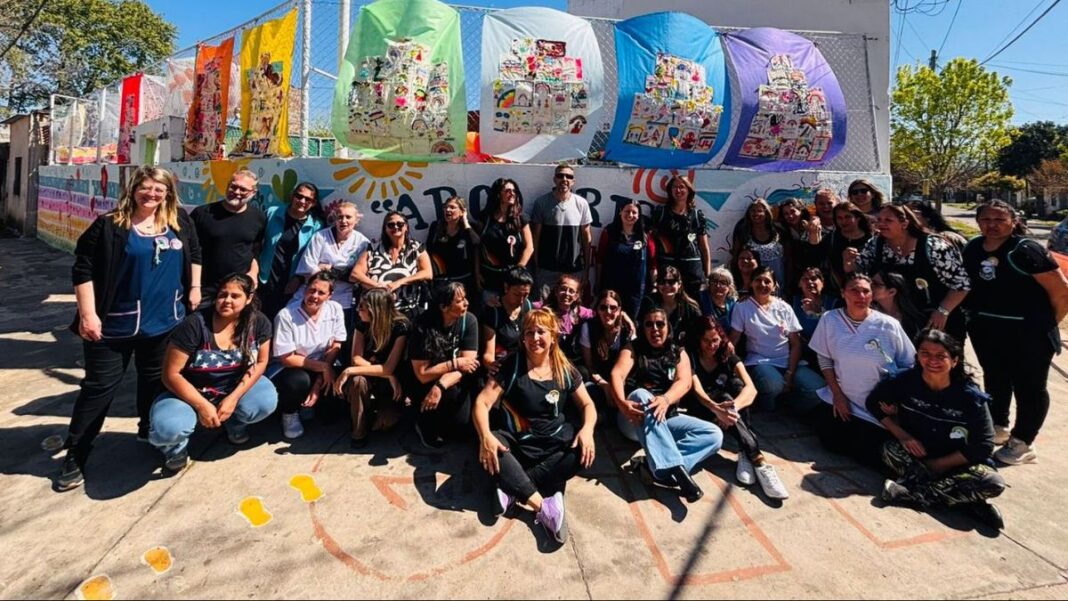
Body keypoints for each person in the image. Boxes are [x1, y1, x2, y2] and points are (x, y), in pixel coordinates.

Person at [57, 166, 203, 491]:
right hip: (113, 326)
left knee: (155, 383)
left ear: (168, 193)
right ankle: (76, 453)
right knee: (99, 389)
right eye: (146, 188)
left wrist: (194, 288)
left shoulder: (179, 221)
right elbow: (83, 269)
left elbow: (194, 253)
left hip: (165, 322)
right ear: (133, 189)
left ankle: (152, 433)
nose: (152, 195)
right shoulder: (110, 225)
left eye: (158, 190)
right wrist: (88, 314)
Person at [473, 309, 597, 544]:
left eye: (541, 331)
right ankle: (545, 507)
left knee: (583, 451)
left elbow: (587, 404)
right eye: (529, 332)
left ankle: (511, 486)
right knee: (493, 446)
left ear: (553, 336)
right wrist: (485, 436)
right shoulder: (511, 365)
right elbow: (482, 402)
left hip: (554, 445)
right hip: (518, 444)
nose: (534, 338)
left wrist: (588, 429)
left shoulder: (564, 367)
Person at [867, 329, 1006, 529]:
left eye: (941, 356)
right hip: (917, 456)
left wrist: (940, 464)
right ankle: (964, 500)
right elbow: (873, 402)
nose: (933, 360)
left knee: (993, 482)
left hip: (957, 462)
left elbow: (983, 445)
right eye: (925, 354)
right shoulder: (904, 381)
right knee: (888, 449)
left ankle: (912, 493)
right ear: (918, 356)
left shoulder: (970, 397)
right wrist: (902, 434)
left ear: (955, 361)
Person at [962, 200, 1068, 465]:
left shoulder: (1025, 250)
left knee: (1029, 387)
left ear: (1013, 221)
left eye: (1000, 219)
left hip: (1028, 332)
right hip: (987, 329)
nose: (992, 225)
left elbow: (1061, 291)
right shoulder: (974, 247)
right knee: (996, 379)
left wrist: (1046, 324)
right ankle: (998, 425)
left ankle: (1023, 441)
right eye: (986, 219)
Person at [148, 274, 276, 472]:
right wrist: (202, 405)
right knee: (169, 428)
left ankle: (234, 423)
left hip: (230, 387)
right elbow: (171, 375)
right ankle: (175, 448)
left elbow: (261, 362)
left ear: (249, 298)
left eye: (235, 296)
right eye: (223, 295)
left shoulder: (258, 322)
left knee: (264, 401)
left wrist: (233, 399)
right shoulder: (194, 325)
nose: (227, 301)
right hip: (188, 393)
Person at [611, 308, 722, 503]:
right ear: (643, 328)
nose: (655, 329)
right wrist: (622, 403)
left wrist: (666, 399)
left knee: (714, 434)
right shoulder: (633, 348)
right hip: (635, 418)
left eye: (660, 324)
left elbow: (684, 381)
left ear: (667, 326)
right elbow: (616, 375)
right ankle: (679, 471)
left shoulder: (677, 351)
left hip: (667, 417)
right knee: (641, 394)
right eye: (649, 324)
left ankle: (657, 469)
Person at [808, 273, 915, 467]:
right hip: (844, 399)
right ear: (843, 293)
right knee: (829, 439)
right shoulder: (830, 320)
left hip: (878, 405)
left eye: (866, 291)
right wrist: (837, 395)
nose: (860, 296)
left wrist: (895, 401)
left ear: (872, 295)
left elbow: (909, 364)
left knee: (869, 449)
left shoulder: (889, 325)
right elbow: (824, 357)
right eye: (854, 290)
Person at [685, 318, 788, 499]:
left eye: (715, 340)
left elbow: (751, 388)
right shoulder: (690, 356)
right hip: (702, 407)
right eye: (706, 341)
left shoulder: (727, 353)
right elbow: (697, 391)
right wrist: (717, 409)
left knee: (737, 386)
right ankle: (758, 460)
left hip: (726, 412)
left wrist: (730, 411)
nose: (711, 345)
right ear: (698, 340)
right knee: (724, 397)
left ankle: (744, 453)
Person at [846, 204, 971, 341]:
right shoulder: (876, 244)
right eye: (879, 220)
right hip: (897, 322)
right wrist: (848, 263)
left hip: (936, 320)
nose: (881, 224)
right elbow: (859, 274)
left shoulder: (934, 246)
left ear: (904, 223)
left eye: (888, 220)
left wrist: (943, 311)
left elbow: (961, 284)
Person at [728, 266, 824, 413]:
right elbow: (734, 338)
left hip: (788, 361)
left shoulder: (784, 307)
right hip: (760, 361)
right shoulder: (742, 307)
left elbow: (796, 344)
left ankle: (789, 407)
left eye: (767, 281)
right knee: (774, 385)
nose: (762, 285)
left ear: (774, 285)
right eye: (758, 280)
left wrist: (790, 373)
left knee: (818, 390)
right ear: (752, 283)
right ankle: (768, 409)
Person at [268, 272, 345, 440]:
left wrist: (319, 380)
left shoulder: (335, 309)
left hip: (323, 362)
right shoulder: (286, 315)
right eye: (311, 290)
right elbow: (287, 358)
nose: (314, 296)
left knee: (330, 416)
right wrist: (324, 368)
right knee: (298, 382)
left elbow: (337, 344)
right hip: (290, 367)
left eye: (321, 293)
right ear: (305, 290)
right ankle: (289, 413)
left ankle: (311, 402)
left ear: (330, 295)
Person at [334, 288, 410, 448]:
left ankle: (372, 414)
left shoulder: (400, 326)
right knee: (358, 381)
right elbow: (356, 358)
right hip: (373, 377)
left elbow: (389, 367)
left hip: (391, 384)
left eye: (362, 307)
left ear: (375, 310)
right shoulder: (362, 325)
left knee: (385, 423)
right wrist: (385, 373)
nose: (357, 310)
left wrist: (349, 370)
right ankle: (358, 431)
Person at [408, 282, 481, 448]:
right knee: (433, 432)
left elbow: (469, 365)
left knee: (460, 428)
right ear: (444, 306)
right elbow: (422, 374)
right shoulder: (422, 325)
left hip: (450, 382)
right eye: (460, 301)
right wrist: (454, 363)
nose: (466, 303)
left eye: (465, 298)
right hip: (425, 383)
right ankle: (422, 421)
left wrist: (440, 385)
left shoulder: (469, 321)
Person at [191, 169, 266, 305]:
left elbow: (255, 250)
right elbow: (190, 251)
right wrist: (194, 287)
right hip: (204, 289)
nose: (236, 192)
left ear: (253, 193)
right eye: (233, 186)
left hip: (238, 290)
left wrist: (253, 274)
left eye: (243, 189)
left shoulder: (258, 218)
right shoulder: (202, 213)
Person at [294, 201, 370, 334]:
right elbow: (308, 267)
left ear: (356, 220)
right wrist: (342, 273)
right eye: (340, 217)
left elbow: (356, 276)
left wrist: (329, 269)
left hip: (344, 297)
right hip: (316, 293)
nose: (343, 221)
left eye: (348, 217)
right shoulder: (320, 237)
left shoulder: (362, 242)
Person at [256, 182, 325, 319]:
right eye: (299, 196)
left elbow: (314, 257)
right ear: (292, 196)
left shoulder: (316, 226)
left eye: (308, 199)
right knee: (258, 319)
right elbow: (256, 243)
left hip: (291, 284)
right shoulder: (272, 213)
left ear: (314, 203)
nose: (302, 201)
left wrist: (299, 279)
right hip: (264, 279)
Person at [526, 164, 593, 301]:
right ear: (554, 179)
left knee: (570, 310)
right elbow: (535, 237)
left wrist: (586, 270)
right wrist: (536, 266)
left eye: (569, 176)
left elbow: (587, 238)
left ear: (573, 181)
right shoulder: (542, 203)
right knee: (543, 309)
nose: (564, 179)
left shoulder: (581, 203)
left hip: (573, 270)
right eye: (560, 175)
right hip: (547, 269)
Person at [352, 211, 433, 320]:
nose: (395, 227)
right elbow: (355, 274)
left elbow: (427, 273)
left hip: (407, 310)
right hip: (377, 311)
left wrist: (399, 283)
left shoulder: (416, 248)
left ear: (406, 227)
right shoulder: (373, 248)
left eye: (400, 224)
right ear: (385, 229)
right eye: (391, 224)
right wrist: (379, 287)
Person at [651, 175, 710, 306]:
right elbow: (651, 243)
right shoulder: (660, 212)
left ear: (689, 190)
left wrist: (707, 275)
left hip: (692, 271)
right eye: (674, 187)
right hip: (668, 269)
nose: (678, 190)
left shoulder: (696, 215)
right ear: (670, 190)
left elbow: (704, 248)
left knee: (693, 308)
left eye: (682, 187)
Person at [476, 178, 533, 307]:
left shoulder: (521, 218)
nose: (512, 193)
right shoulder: (485, 218)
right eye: (507, 190)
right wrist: (477, 273)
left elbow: (529, 247)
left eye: (514, 191)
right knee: (491, 315)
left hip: (513, 279)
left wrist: (518, 270)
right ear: (498, 194)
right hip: (490, 277)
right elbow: (478, 248)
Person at [579, 289, 637, 413]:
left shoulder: (627, 330)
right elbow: (589, 365)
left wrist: (616, 387)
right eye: (603, 307)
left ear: (620, 310)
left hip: (622, 380)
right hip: (599, 380)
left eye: (613, 307)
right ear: (597, 310)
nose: (608, 312)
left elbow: (631, 365)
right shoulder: (588, 328)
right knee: (589, 392)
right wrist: (604, 384)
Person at [599, 198, 657, 319]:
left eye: (634, 212)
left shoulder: (645, 235)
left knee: (632, 322)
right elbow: (600, 260)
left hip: (635, 290)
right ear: (620, 211)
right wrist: (598, 283)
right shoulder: (609, 232)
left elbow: (652, 263)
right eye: (627, 211)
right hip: (612, 287)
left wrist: (654, 284)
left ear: (639, 215)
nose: (630, 215)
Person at [426, 196, 480, 307]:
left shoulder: (469, 229)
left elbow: (476, 244)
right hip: (441, 283)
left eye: (452, 207)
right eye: (445, 207)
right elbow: (428, 251)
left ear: (461, 211)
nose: (448, 210)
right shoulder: (436, 227)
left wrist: (465, 221)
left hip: (463, 282)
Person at [480, 267, 535, 374]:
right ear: (506, 288)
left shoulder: (529, 307)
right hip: (503, 365)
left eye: (526, 295)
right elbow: (488, 354)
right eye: (517, 294)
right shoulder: (493, 313)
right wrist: (492, 365)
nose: (521, 300)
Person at [809, 201, 873, 292]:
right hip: (836, 291)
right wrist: (814, 241)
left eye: (848, 217)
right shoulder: (831, 238)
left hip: (866, 290)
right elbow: (816, 262)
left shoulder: (871, 239)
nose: (843, 221)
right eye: (839, 218)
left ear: (858, 218)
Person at [537, 274, 595, 367]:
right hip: (548, 359)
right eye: (563, 289)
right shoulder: (543, 308)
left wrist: (623, 315)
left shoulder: (579, 312)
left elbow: (602, 314)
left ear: (576, 296)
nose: (567, 293)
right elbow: (524, 306)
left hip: (570, 360)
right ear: (556, 291)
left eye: (571, 291)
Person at [731, 198, 786, 293]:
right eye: (752, 211)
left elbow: (789, 258)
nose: (756, 214)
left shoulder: (778, 232)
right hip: (754, 283)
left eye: (759, 211)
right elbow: (736, 257)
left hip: (778, 279)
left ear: (766, 213)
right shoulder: (743, 233)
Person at [638, 266, 702, 345]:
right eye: (662, 282)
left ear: (679, 284)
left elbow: (699, 335)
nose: (667, 285)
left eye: (671, 282)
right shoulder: (648, 302)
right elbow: (640, 329)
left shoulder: (691, 308)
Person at [792, 266, 837, 366]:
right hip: (804, 358)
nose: (810, 282)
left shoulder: (834, 303)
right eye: (805, 279)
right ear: (799, 283)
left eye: (814, 278)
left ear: (823, 282)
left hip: (831, 356)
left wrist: (816, 314)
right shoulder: (793, 303)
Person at [871, 270, 927, 340]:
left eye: (876, 284)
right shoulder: (868, 313)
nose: (870, 287)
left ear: (892, 292)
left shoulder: (915, 321)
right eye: (870, 282)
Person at [706, 267, 738, 333]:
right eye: (714, 282)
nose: (718, 285)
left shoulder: (734, 304)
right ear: (709, 284)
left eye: (723, 283)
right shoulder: (701, 301)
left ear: (730, 287)